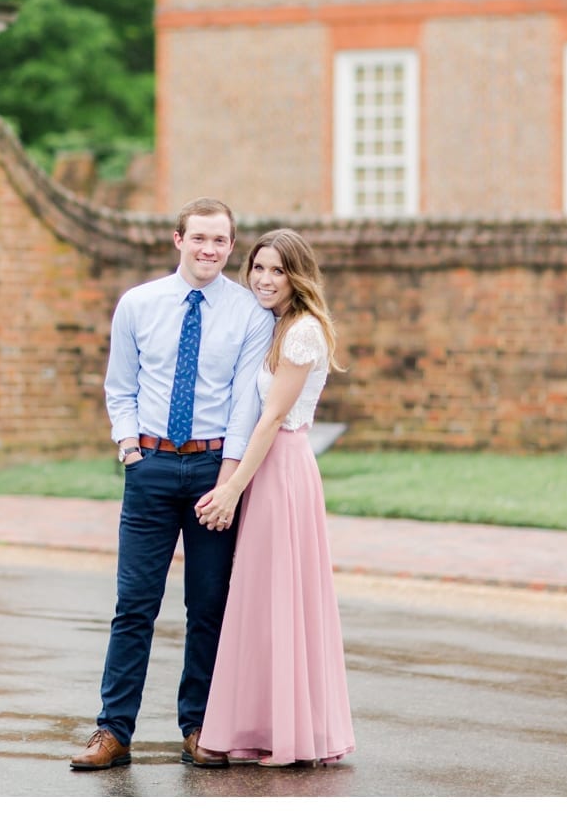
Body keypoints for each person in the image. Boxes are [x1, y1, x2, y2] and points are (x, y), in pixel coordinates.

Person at [70, 198, 275, 771]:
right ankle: (113, 730)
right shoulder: (138, 304)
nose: (210, 250)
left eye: (222, 241)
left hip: (215, 470)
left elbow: (245, 402)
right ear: (178, 239)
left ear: (232, 247)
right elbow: (121, 383)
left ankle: (200, 727)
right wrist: (128, 444)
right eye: (200, 238)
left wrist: (231, 481)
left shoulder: (250, 314)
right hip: (151, 467)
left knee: (208, 605)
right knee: (134, 604)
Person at [193, 228, 356, 768]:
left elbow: (273, 417)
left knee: (282, 596)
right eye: (258, 268)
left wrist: (230, 490)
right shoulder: (274, 326)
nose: (264, 279)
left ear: (297, 275)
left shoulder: (303, 332)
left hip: (282, 469)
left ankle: (289, 734)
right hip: (267, 467)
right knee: (260, 598)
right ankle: (261, 724)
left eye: (277, 270)